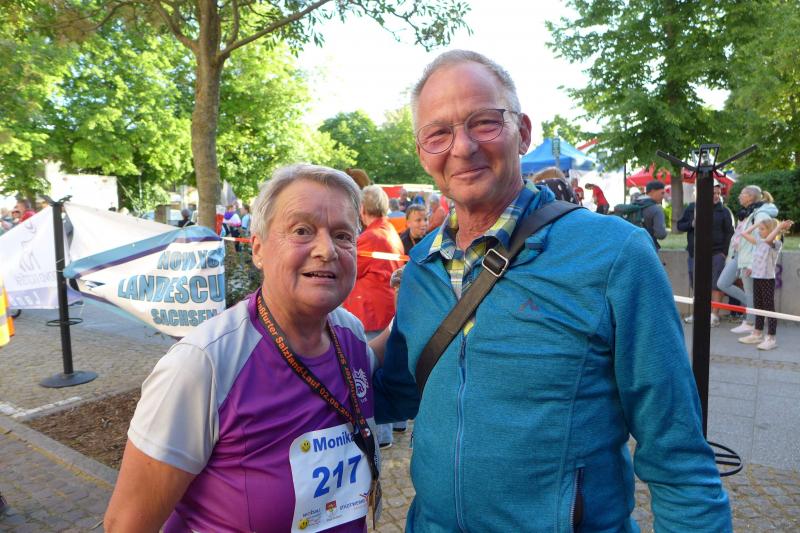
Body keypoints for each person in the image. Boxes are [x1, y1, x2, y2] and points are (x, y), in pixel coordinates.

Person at [372, 50, 731, 531]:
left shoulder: (613, 254)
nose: (462, 147)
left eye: (484, 122)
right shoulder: (421, 267)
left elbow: (678, 455)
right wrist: (307, 342)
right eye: (438, 133)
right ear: (422, 152)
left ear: (523, 132)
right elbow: (394, 393)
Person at [104, 164, 381, 533]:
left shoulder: (351, 337)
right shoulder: (203, 365)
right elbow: (126, 525)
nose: (326, 250)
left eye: (343, 235)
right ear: (259, 249)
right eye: (302, 230)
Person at [343, 184, 404, 449]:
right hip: (386, 308)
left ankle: (382, 435)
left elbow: (349, 268)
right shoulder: (388, 230)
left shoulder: (370, 237)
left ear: (362, 208)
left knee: (370, 375)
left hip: (371, 312)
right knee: (391, 366)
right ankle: (398, 423)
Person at [717, 185, 778, 334]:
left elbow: (762, 240)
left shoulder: (760, 214)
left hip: (750, 258)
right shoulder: (747, 213)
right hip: (738, 255)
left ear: (750, 197)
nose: (739, 196)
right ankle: (756, 309)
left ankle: (751, 322)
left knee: (750, 291)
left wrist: (752, 263)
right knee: (723, 283)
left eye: (742, 194)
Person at [677, 183, 734, 326]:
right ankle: (698, 314)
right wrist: (692, 223)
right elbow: (680, 226)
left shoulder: (724, 211)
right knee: (697, 285)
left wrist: (724, 253)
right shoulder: (692, 208)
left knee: (716, 285)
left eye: (718, 193)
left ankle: (714, 315)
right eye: (713, 193)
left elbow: (730, 233)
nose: (716, 196)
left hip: (716, 253)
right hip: (695, 253)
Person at [736, 218, 793, 350]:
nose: (759, 231)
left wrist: (778, 227)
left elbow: (768, 240)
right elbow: (744, 233)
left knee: (769, 308)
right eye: (759, 229)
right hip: (757, 277)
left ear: (771, 230)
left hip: (767, 279)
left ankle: (771, 338)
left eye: (762, 229)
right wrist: (757, 224)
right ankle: (757, 333)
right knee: (758, 307)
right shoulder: (759, 241)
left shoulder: (776, 243)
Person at [636, 180, 668, 249]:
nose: (663, 196)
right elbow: (661, 234)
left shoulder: (634, 204)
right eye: (662, 193)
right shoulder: (656, 209)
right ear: (652, 191)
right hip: (648, 248)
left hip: (632, 247)